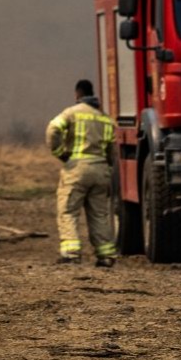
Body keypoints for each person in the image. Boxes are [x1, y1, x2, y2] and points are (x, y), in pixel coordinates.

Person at [46, 78, 118, 267]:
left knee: (68, 211)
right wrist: (108, 168)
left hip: (77, 170)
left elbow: (53, 129)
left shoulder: (71, 113)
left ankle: (71, 254)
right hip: (101, 170)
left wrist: (60, 153)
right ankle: (106, 256)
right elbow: (112, 150)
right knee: (100, 214)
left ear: (77, 94)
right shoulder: (105, 118)